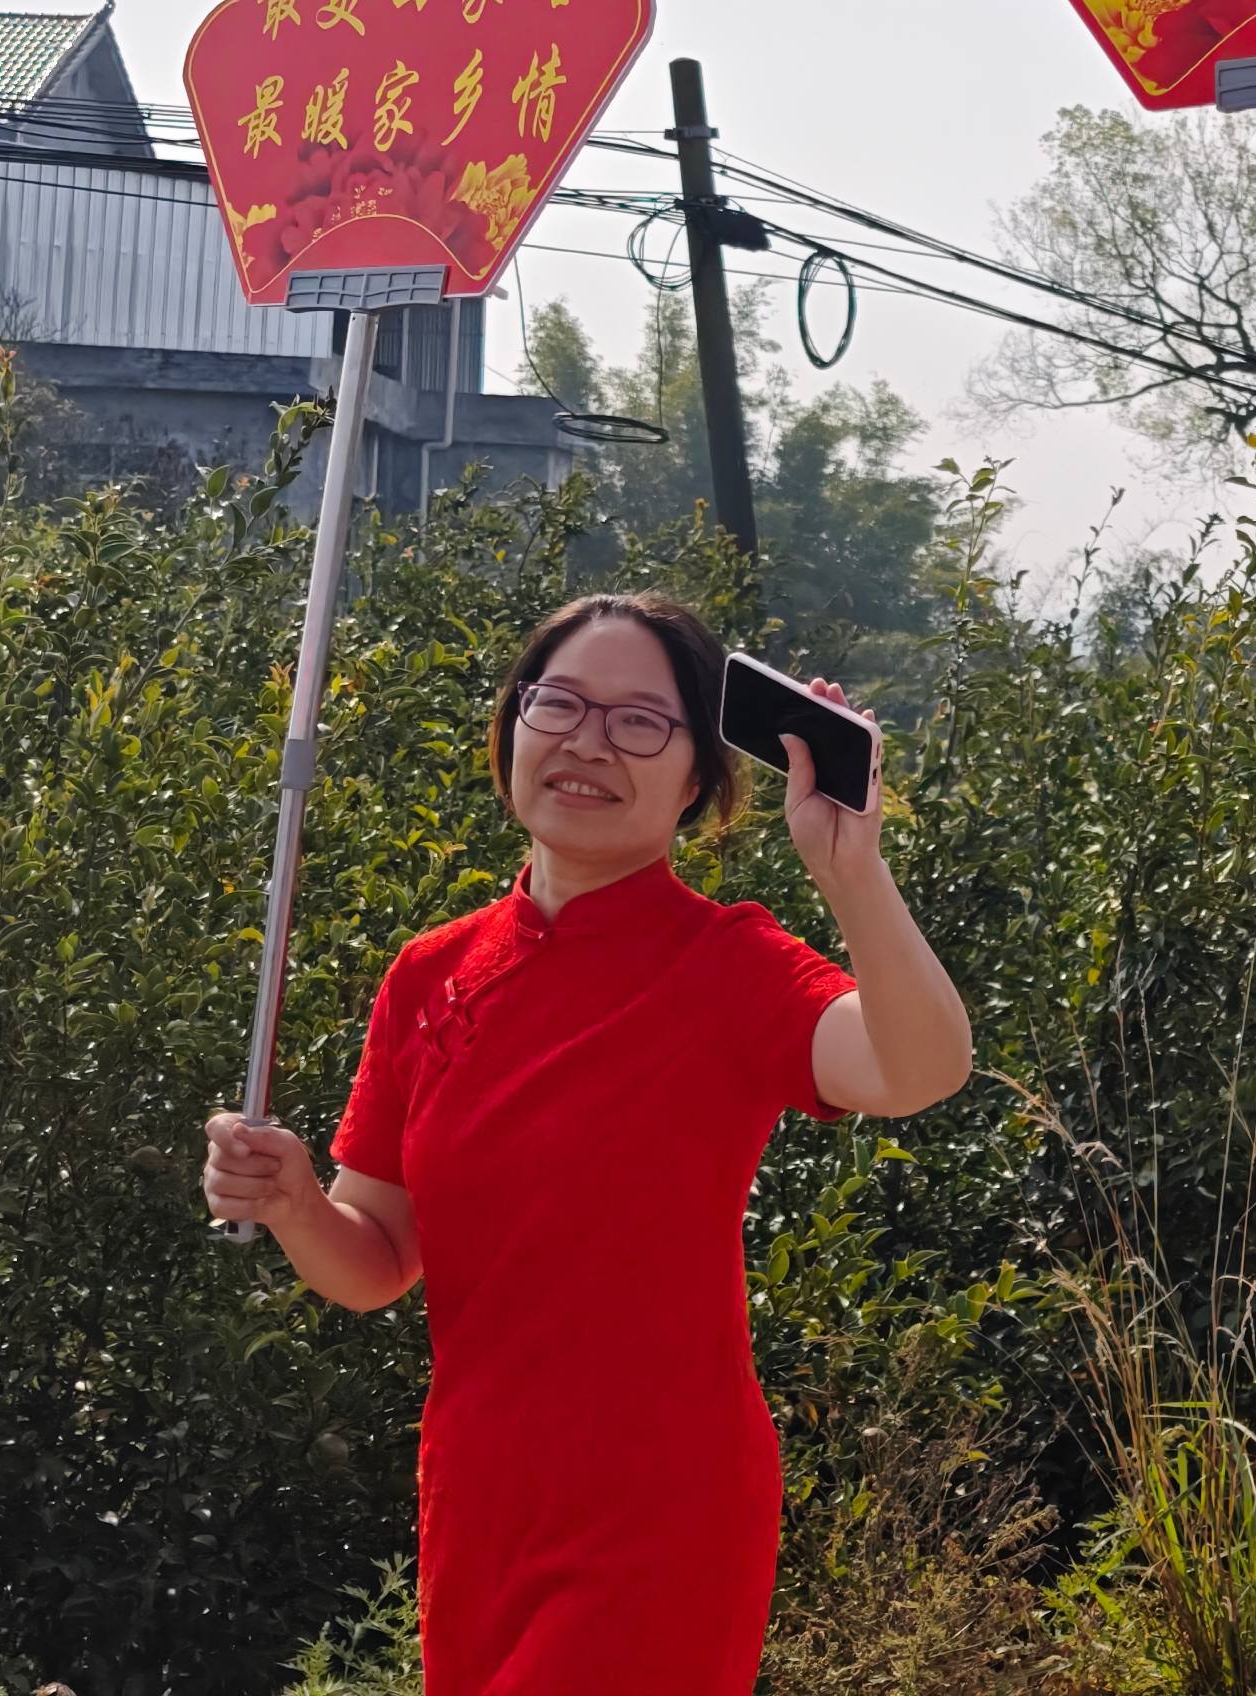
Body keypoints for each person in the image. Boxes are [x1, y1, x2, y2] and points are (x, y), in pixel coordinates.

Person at [198, 594, 975, 1692]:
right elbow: (374, 1264)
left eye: (640, 722)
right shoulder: (432, 974)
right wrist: (288, 1203)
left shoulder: (730, 967)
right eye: (557, 703)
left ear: (699, 775)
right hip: (480, 1499)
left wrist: (852, 871)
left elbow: (920, 1068)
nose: (587, 742)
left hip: (662, 1509)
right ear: (513, 726)